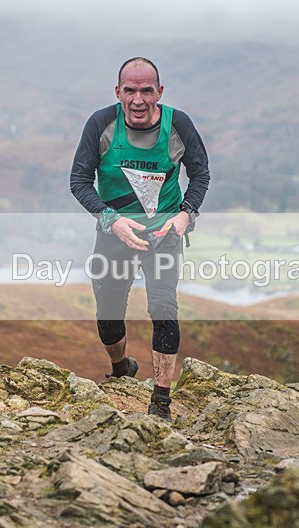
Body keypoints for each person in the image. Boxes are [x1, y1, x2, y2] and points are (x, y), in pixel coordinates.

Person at [70, 57, 210, 422]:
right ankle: (121, 367)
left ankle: (161, 401)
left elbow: (200, 174)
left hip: (164, 232)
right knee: (108, 315)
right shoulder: (101, 124)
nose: (138, 99)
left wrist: (185, 214)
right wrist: (110, 220)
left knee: (163, 307)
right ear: (118, 93)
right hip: (116, 232)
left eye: (146, 90)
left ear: (159, 93)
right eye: (129, 90)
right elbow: (79, 181)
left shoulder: (178, 125)